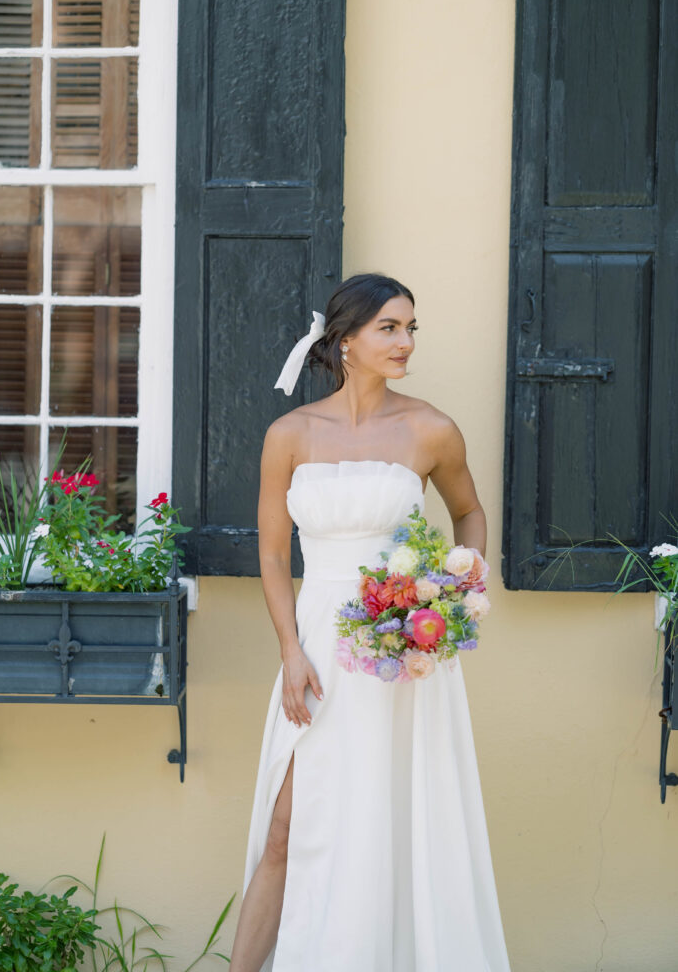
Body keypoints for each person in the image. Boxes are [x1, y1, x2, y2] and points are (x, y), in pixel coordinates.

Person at [229, 273, 511, 972]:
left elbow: (469, 512)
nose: (405, 342)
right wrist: (291, 653)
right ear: (344, 340)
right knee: (287, 826)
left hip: (399, 653)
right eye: (389, 327)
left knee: (395, 820)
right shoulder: (289, 434)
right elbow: (269, 550)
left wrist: (450, 591)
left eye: (411, 328)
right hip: (319, 643)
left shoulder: (429, 428)